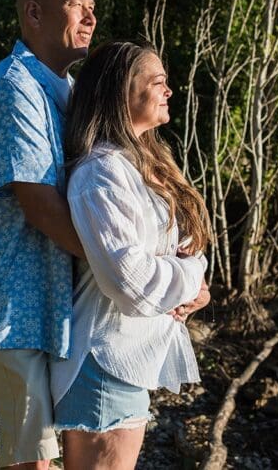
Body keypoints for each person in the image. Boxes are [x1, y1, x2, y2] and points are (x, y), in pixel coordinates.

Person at [0, 0, 97, 469]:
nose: (91, 16)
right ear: (34, 13)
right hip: (16, 301)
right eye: (77, 4)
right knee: (29, 460)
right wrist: (123, 270)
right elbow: (38, 203)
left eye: (92, 6)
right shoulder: (13, 87)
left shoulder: (69, 90)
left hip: (59, 301)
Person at [52, 41, 212, 470]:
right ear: (122, 91)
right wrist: (190, 277)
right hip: (103, 362)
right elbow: (131, 284)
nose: (169, 90)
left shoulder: (140, 167)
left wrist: (195, 283)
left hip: (122, 364)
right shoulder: (100, 174)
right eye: (158, 81)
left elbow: (188, 252)